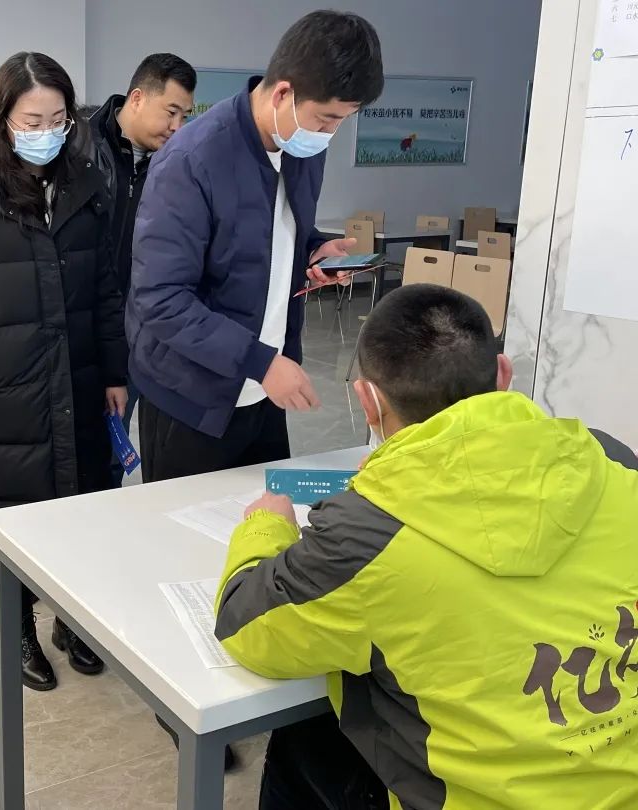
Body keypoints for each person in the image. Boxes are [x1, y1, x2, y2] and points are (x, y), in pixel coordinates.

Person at [215, 284, 638, 809]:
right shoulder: (613, 461)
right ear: (503, 375)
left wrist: (265, 525)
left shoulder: (368, 532)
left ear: (368, 400)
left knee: (306, 738)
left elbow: (245, 624)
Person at [0, 52, 127, 691]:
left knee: (82, 509)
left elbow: (107, 290)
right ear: (2, 118)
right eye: (33, 121)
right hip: (4, 391)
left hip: (81, 380)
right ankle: (22, 631)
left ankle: (72, 621)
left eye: (58, 119)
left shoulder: (88, 186)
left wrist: (115, 371)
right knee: (20, 518)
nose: (47, 132)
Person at [127, 11, 384, 482]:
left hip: (265, 388)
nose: (329, 134)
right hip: (194, 396)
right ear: (283, 93)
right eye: (326, 119)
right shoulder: (191, 161)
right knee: (191, 524)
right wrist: (261, 363)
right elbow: (160, 299)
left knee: (266, 517)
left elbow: (268, 236)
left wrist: (313, 252)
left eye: (342, 122)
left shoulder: (302, 148)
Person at [86, 53, 196, 485]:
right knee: (74, 446)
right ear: (136, 98)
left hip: (137, 331)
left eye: (184, 116)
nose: (177, 126)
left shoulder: (176, 165)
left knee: (115, 442)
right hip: (80, 323)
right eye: (171, 112)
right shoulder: (80, 150)